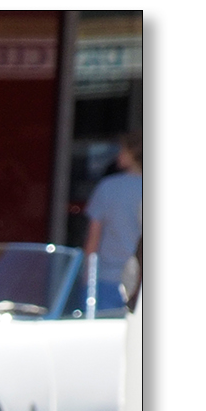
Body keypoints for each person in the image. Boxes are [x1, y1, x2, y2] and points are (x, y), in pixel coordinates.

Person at [83, 132, 141, 313]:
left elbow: (93, 238)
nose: (118, 155)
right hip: (141, 281)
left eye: (122, 150)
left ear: (133, 153)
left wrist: (86, 277)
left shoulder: (108, 187)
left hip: (107, 277)